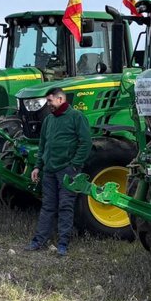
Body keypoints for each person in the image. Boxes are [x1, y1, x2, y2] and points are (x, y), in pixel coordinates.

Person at [24, 88, 91, 256]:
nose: (48, 105)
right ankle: (39, 240)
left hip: (67, 171)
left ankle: (63, 243)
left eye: (50, 101)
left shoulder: (76, 117)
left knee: (65, 206)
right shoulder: (48, 120)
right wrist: (38, 166)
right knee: (47, 206)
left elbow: (86, 143)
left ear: (60, 99)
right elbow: (43, 145)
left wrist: (75, 165)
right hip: (49, 171)